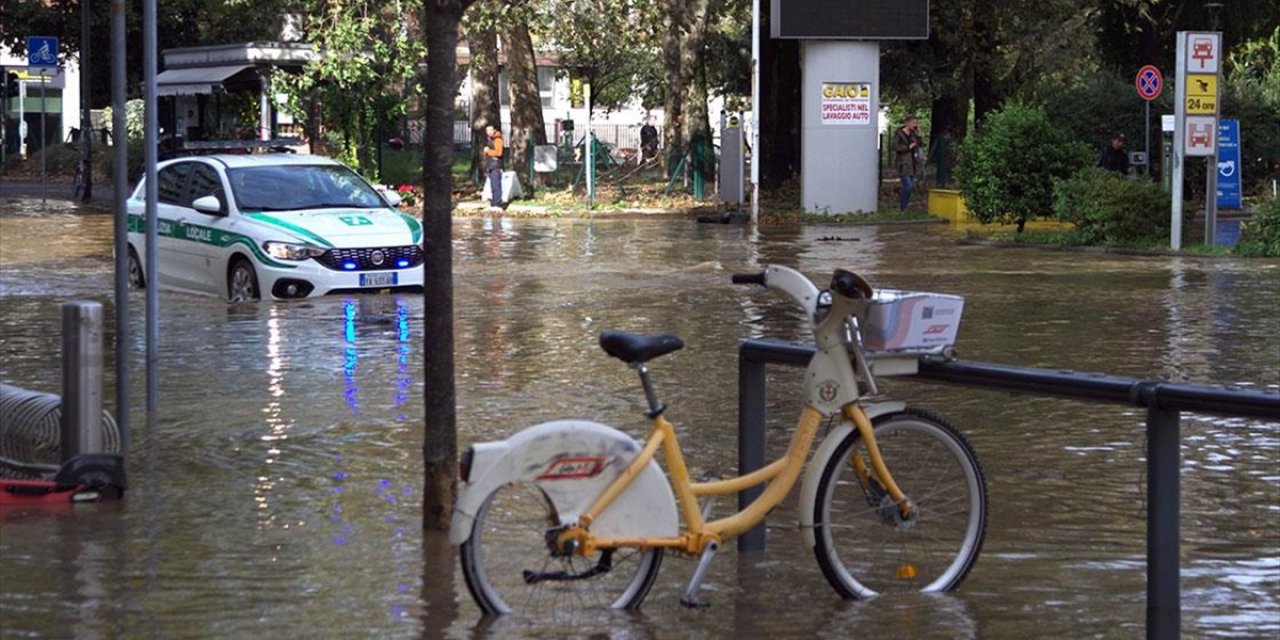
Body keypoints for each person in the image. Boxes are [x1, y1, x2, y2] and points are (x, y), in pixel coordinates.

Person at [894, 115, 923, 210]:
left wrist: (919, 134)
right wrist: (908, 147)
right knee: (908, 186)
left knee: (910, 186)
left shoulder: (914, 134)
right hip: (904, 163)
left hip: (913, 163)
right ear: (907, 123)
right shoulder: (899, 134)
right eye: (913, 123)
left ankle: (905, 205)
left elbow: (920, 144)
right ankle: (903, 207)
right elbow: (895, 147)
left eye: (916, 123)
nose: (915, 125)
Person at [483, 124, 505, 210]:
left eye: (490, 130)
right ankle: (494, 203)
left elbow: (499, 152)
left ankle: (497, 204)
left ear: (494, 130)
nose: (489, 132)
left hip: (496, 165)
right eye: (487, 131)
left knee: (496, 185)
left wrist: (488, 151)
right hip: (491, 165)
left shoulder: (498, 139)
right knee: (493, 185)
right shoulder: (490, 139)